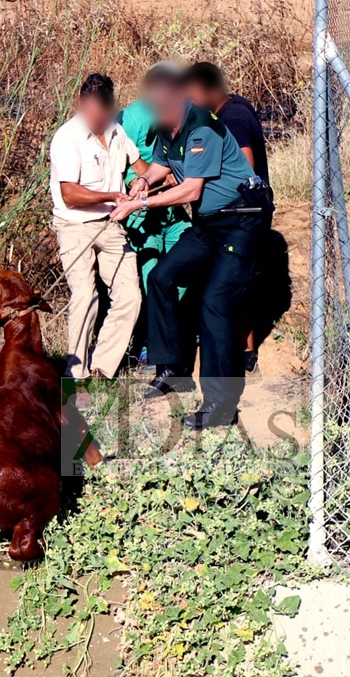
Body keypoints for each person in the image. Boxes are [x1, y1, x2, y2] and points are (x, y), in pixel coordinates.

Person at [109, 64, 269, 430]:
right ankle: (172, 370)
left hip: (241, 221)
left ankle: (220, 406)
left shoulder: (203, 127)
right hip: (210, 224)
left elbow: (190, 189)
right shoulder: (168, 128)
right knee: (163, 278)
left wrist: (140, 205)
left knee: (215, 302)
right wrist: (142, 183)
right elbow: (162, 168)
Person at [49, 73, 145, 391]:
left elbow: (141, 167)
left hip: (111, 225)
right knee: (85, 296)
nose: (91, 117)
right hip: (74, 227)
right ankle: (74, 375)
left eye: (97, 112)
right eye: (86, 109)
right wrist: (111, 196)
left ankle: (102, 367)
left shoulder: (117, 132)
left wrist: (145, 183)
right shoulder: (66, 137)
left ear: (108, 109)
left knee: (130, 295)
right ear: (80, 103)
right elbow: (69, 195)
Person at [184, 61, 270, 373]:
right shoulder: (235, 107)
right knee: (235, 282)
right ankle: (242, 352)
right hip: (243, 213)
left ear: (210, 90)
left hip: (239, 215)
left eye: (192, 94)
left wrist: (198, 178)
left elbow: (243, 168)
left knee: (228, 284)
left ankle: (241, 355)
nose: (189, 101)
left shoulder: (231, 119)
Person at [116, 75, 192, 371]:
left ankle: (170, 334)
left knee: (186, 268)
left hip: (173, 212)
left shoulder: (184, 115)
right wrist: (148, 179)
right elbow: (120, 164)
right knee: (151, 279)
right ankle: (149, 346)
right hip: (142, 214)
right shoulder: (130, 120)